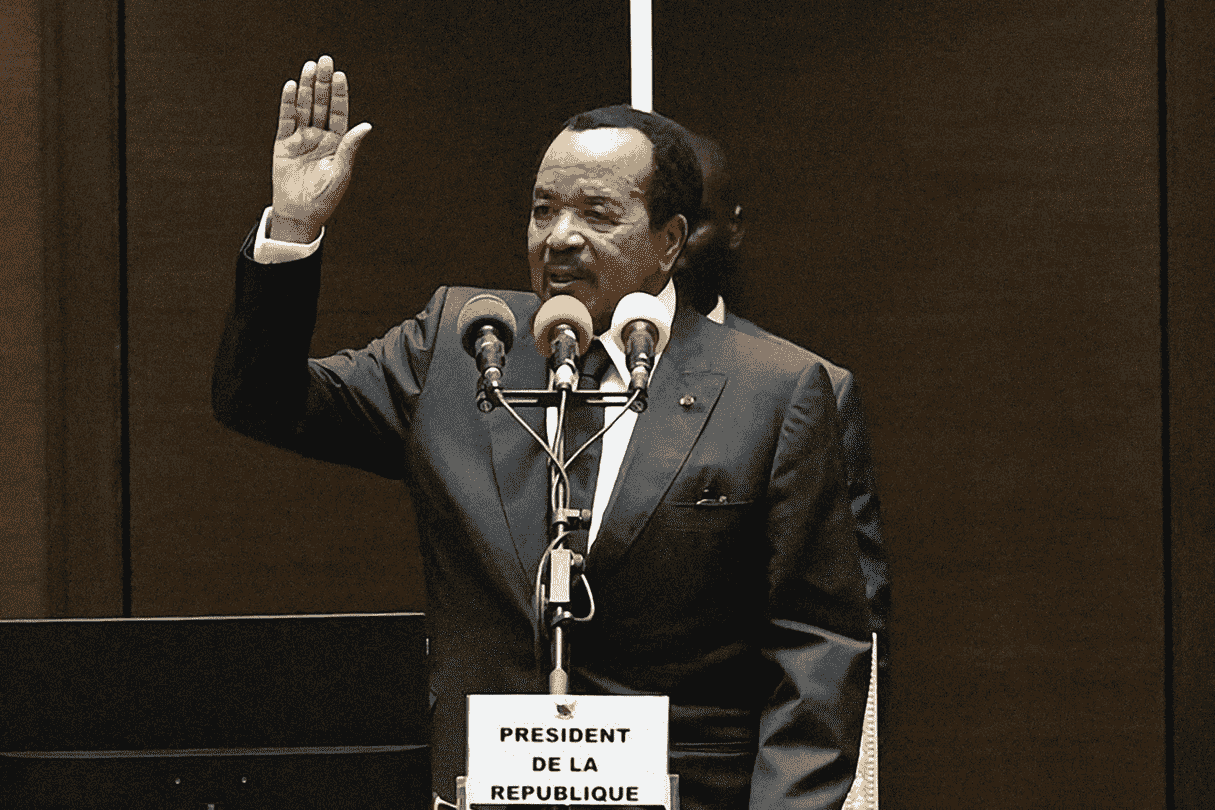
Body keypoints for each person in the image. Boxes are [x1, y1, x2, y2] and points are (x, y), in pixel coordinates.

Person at [212, 55, 879, 810]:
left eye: (597, 213)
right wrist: (293, 227)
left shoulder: (775, 390)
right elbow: (261, 401)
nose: (560, 237)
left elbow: (816, 648)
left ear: (669, 241)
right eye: (542, 211)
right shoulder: (462, 345)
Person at [673, 133, 888, 668]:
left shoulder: (808, 387)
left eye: (692, 222)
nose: (671, 246)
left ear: (734, 227)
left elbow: (844, 619)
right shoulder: (559, 372)